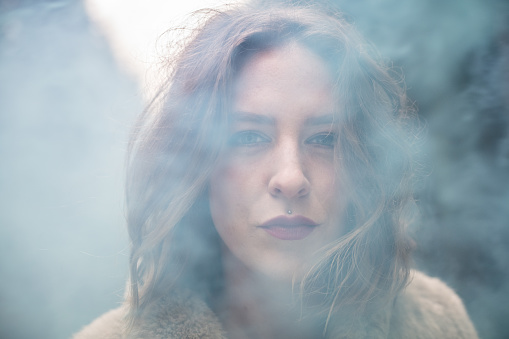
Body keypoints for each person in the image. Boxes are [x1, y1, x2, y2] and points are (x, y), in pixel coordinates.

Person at [74, 3, 479, 338]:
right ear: (196, 165)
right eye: (248, 137)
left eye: (324, 139)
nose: (290, 178)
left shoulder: (436, 325)